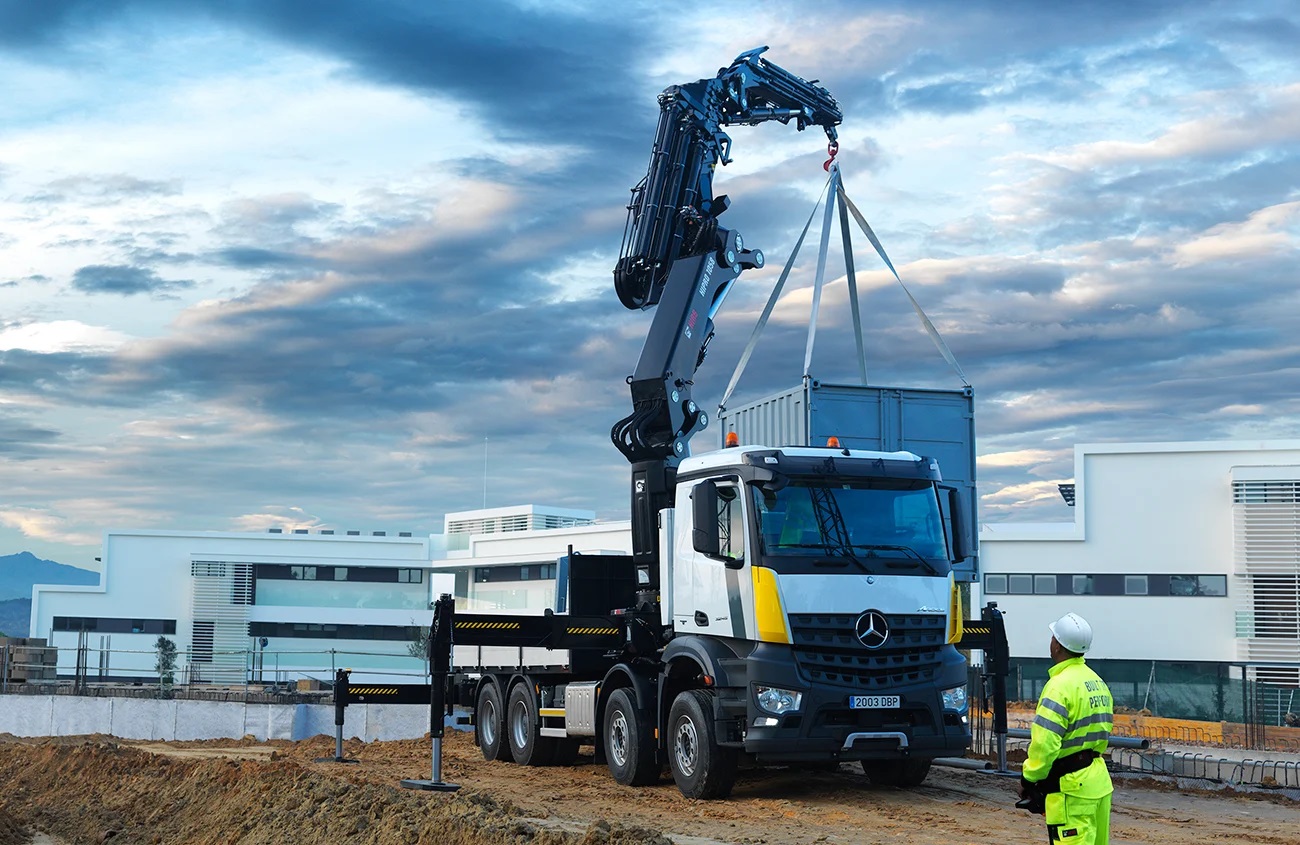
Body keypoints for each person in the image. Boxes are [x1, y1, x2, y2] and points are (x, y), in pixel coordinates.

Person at [1019, 612, 1114, 844]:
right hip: (1097, 783)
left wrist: (1029, 779)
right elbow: (1102, 735)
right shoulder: (1096, 682)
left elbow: (1045, 743)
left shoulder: (1058, 687)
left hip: (1072, 790)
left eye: (1053, 637)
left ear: (1057, 646)